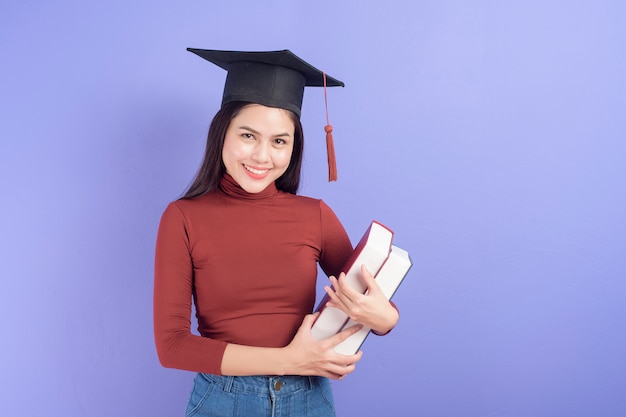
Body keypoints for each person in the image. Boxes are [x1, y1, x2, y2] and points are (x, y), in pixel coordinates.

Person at [154, 48, 399, 417]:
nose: (262, 156)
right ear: (222, 133)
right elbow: (172, 346)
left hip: (308, 400)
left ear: (293, 146)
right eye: (248, 135)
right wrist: (288, 360)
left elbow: (362, 298)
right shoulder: (182, 218)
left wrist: (385, 319)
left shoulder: (314, 215)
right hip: (224, 401)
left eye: (279, 141)